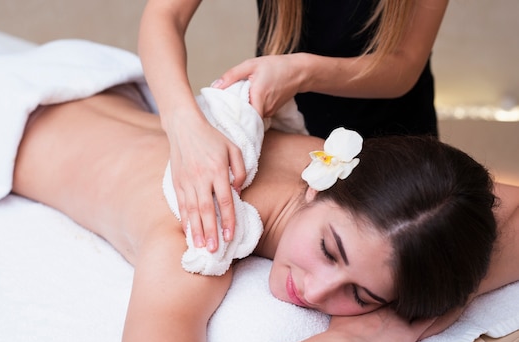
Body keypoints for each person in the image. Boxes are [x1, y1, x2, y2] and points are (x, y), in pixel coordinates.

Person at [11, 83, 519, 342]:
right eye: (329, 249)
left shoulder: (357, 174)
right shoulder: (200, 231)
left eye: (361, 296)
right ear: (319, 187)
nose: (315, 290)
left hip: (106, 98)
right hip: (5, 121)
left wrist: (441, 295)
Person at [138, 0, 449, 254]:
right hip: (284, 134)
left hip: (393, 146)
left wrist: (304, 72)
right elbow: (165, 14)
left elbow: (405, 65)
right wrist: (184, 124)